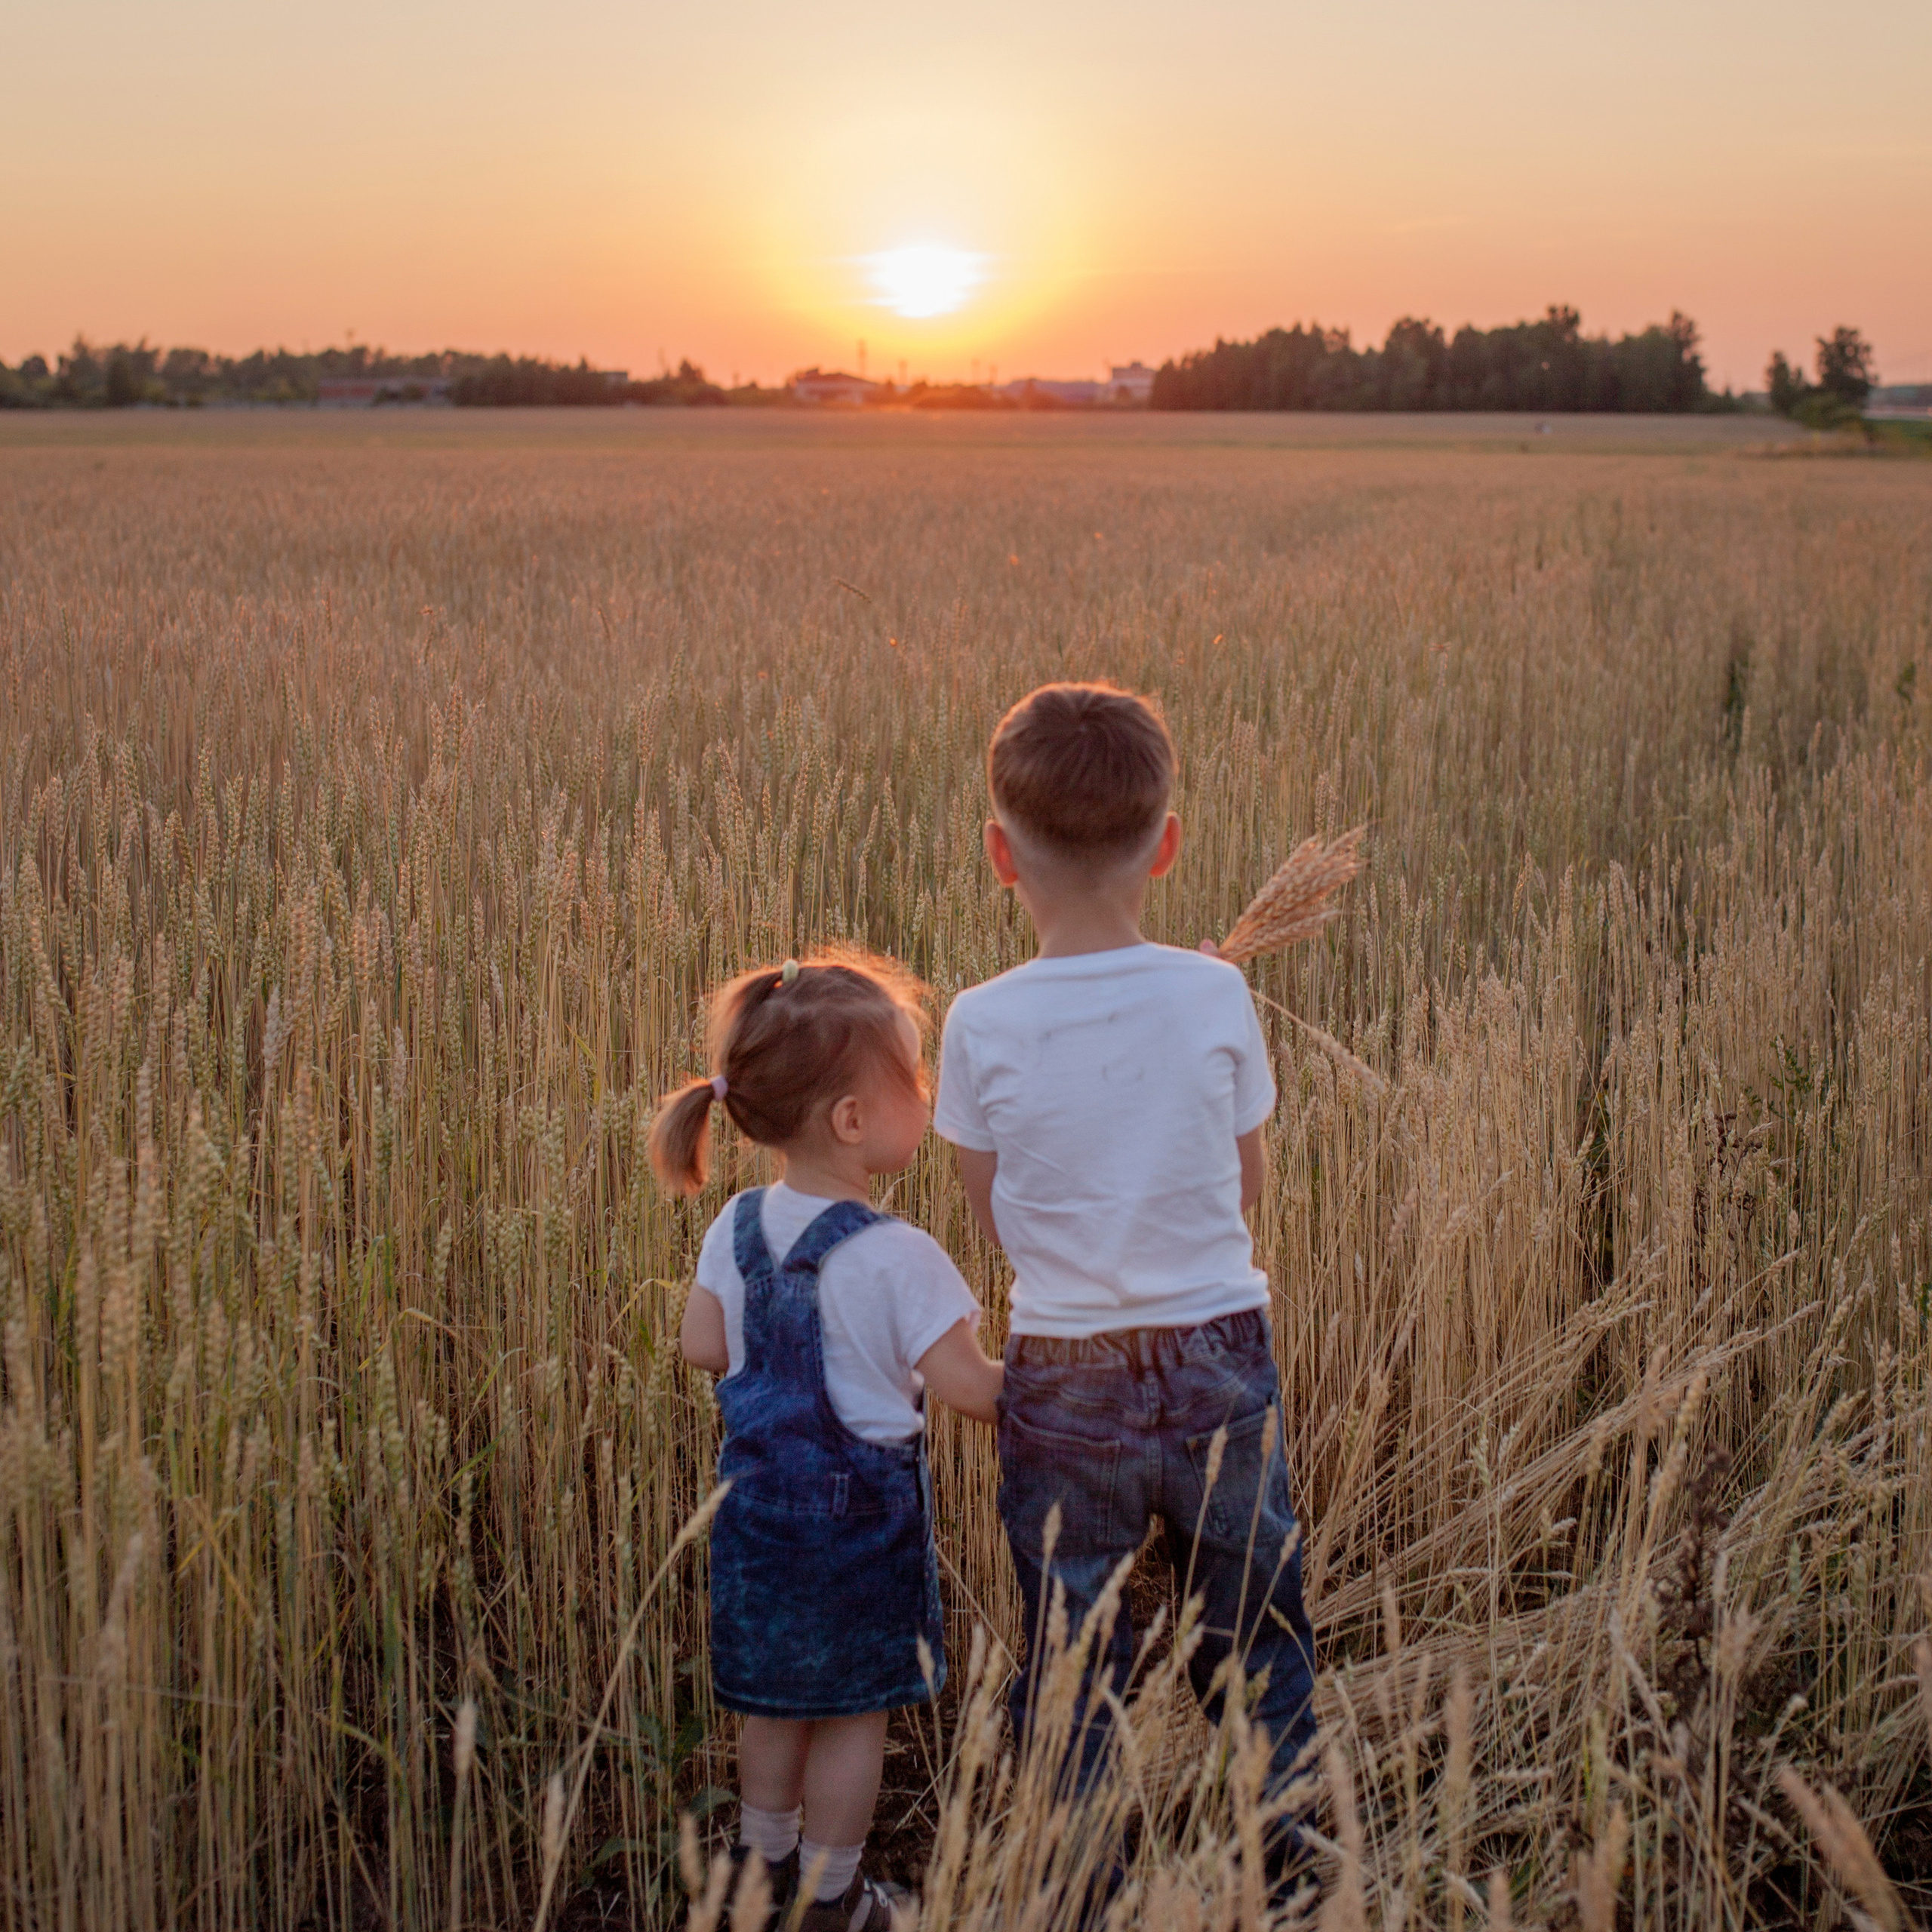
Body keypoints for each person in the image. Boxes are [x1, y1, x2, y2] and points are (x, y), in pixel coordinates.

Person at [933, 682, 1319, 1876]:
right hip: (1219, 1356)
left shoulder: (978, 1022)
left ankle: (1079, 1887)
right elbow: (1242, 1186)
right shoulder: (1218, 992)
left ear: (999, 855)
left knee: (1073, 1652)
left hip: (1064, 1376)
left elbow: (990, 1209)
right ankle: (1296, 1870)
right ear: (1169, 844)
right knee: (1258, 1638)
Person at [651, 950, 1003, 1932]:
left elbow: (700, 1344)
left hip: (755, 1521)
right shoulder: (901, 1258)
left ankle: (760, 1872)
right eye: (915, 1079)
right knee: (854, 1712)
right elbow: (973, 1390)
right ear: (854, 1120)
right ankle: (834, 1896)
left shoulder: (737, 1225)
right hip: (861, 1538)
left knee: (775, 1703)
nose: (928, 1095)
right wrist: (1074, 1383)